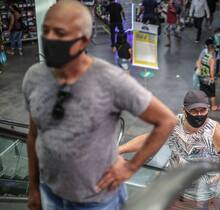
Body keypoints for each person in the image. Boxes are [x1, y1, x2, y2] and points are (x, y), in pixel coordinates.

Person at [22, 1, 176, 210]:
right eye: (46, 30)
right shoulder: (34, 76)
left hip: (97, 201)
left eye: (60, 33)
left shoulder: (111, 80)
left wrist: (130, 168)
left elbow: (166, 120)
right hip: (50, 192)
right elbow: (33, 135)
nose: (50, 38)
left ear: (83, 40)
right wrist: (33, 188)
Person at [119, 90, 220, 209]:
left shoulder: (217, 133)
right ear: (184, 110)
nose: (199, 114)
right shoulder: (174, 124)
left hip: (202, 199)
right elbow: (148, 139)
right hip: (173, 191)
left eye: (203, 110)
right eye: (194, 110)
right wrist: (120, 150)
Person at [196, 42, 220, 111]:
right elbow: (212, 70)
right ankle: (214, 106)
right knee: (212, 93)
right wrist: (212, 78)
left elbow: (199, 63)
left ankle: (204, 106)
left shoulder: (205, 56)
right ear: (213, 50)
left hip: (202, 77)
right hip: (208, 78)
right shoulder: (212, 59)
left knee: (203, 92)